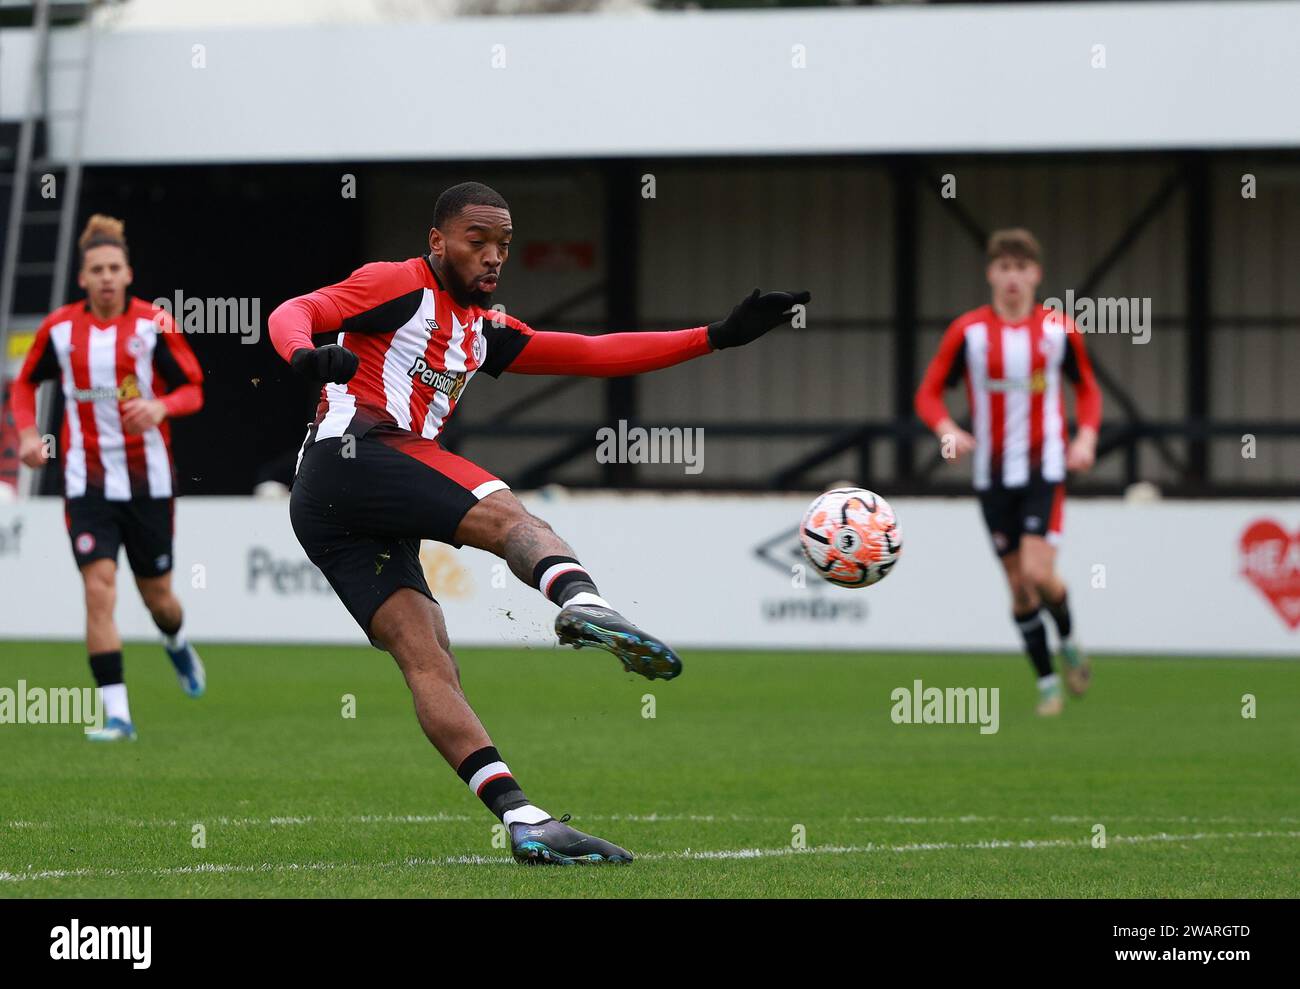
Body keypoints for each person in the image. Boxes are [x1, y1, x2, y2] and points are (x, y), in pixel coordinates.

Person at [269, 181, 808, 864]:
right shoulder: (395, 285)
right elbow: (297, 309)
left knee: (429, 657)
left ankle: (523, 817)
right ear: (436, 242)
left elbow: (591, 353)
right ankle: (584, 603)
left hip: (326, 508)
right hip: (359, 454)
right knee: (508, 514)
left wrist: (717, 337)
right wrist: (302, 354)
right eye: (478, 240)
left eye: (505, 244)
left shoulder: (484, 329)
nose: (495, 256)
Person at [12, 214, 207, 741]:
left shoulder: (153, 326)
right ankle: (118, 714)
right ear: (82, 277)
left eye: (113, 268)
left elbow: (194, 388)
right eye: (95, 269)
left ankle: (176, 642)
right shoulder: (59, 330)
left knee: (159, 600)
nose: (104, 276)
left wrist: (161, 407)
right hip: (85, 483)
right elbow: (24, 385)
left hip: (148, 484)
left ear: (127, 274)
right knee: (99, 592)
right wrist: (29, 434)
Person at [915, 228, 1100, 716]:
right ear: (991, 273)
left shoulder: (1060, 331)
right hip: (992, 476)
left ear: (1036, 274)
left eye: (1022, 268)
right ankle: (1047, 685)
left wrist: (1086, 437)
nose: (1013, 277)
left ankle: (1071, 641)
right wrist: (946, 431)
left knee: (1041, 576)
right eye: (1004, 267)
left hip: (1044, 469)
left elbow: (1088, 391)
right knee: (1018, 587)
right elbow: (928, 394)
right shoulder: (968, 333)